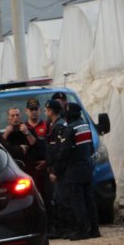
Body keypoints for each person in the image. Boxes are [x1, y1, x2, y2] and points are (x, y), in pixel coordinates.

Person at [54, 102, 100, 240]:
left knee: (77, 201)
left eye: (66, 110)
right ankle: (94, 229)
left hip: (74, 171)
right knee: (89, 200)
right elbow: (91, 147)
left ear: (70, 113)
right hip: (87, 167)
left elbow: (64, 152)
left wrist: (56, 170)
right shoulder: (85, 126)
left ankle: (82, 230)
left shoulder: (70, 129)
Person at [44, 99, 70, 237]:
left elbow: (57, 150)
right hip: (56, 167)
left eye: (46, 109)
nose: (45, 112)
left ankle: (64, 229)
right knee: (58, 198)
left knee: (61, 199)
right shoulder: (55, 124)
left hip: (58, 169)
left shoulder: (58, 126)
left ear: (50, 111)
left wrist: (54, 170)